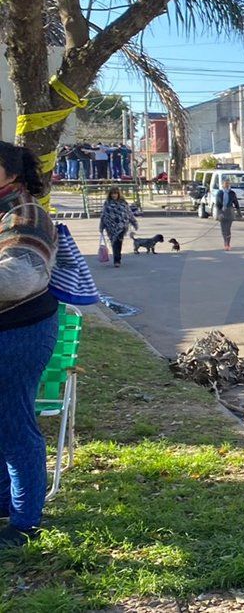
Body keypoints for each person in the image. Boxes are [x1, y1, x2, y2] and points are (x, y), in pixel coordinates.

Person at [0, 141, 59, 548]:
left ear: (12, 173)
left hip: (20, 332)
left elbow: (20, 276)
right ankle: (6, 504)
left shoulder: (26, 213)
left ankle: (25, 524)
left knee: (14, 426)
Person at [99, 186, 138, 268]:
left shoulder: (123, 203)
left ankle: (117, 260)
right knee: (114, 243)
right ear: (110, 194)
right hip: (110, 227)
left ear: (118, 194)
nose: (114, 195)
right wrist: (101, 226)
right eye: (112, 194)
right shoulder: (107, 203)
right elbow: (103, 215)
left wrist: (134, 223)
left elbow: (129, 213)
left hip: (121, 227)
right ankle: (116, 259)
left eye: (115, 193)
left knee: (118, 243)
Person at [214, 179, 241, 251]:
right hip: (222, 212)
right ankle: (225, 243)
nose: (227, 185)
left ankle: (228, 244)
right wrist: (218, 214)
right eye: (225, 184)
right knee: (223, 230)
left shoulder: (232, 193)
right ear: (222, 185)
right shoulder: (219, 193)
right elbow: (217, 204)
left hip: (229, 212)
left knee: (228, 229)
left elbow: (236, 203)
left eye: (228, 184)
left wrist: (239, 213)